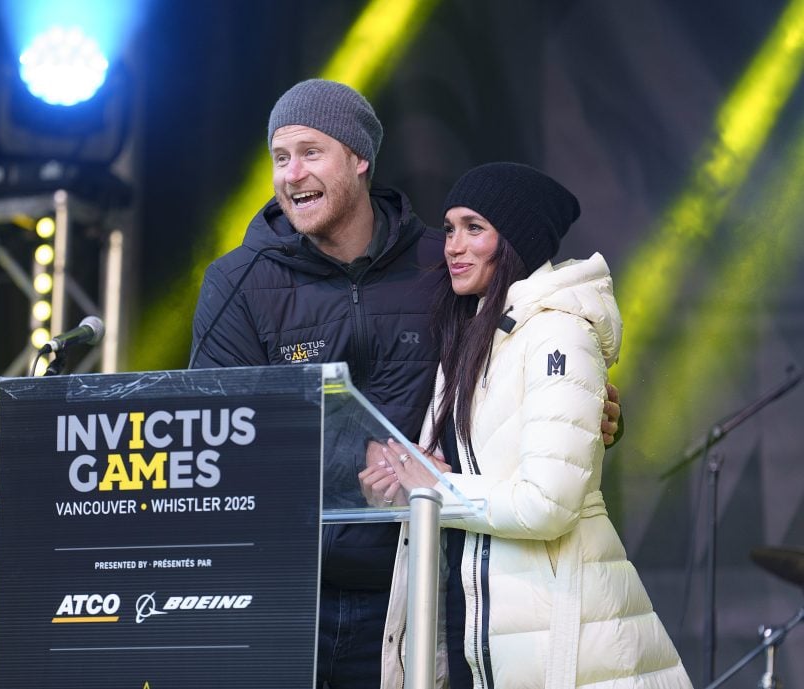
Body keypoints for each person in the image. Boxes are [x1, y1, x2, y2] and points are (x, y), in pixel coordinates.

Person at [190, 81, 621, 688]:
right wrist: (358, 456)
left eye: (311, 153)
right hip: (285, 592)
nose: (292, 174)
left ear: (360, 157)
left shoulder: (441, 266)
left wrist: (589, 408)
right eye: (280, 158)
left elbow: (513, 370)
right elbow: (213, 435)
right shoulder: (237, 282)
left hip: (418, 589)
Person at [369, 163, 691, 689]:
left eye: (475, 227)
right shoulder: (477, 336)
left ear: (515, 240)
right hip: (494, 634)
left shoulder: (558, 334)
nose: (453, 244)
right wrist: (391, 481)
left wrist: (433, 489)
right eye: (449, 228)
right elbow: (447, 471)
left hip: (572, 640)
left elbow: (548, 503)